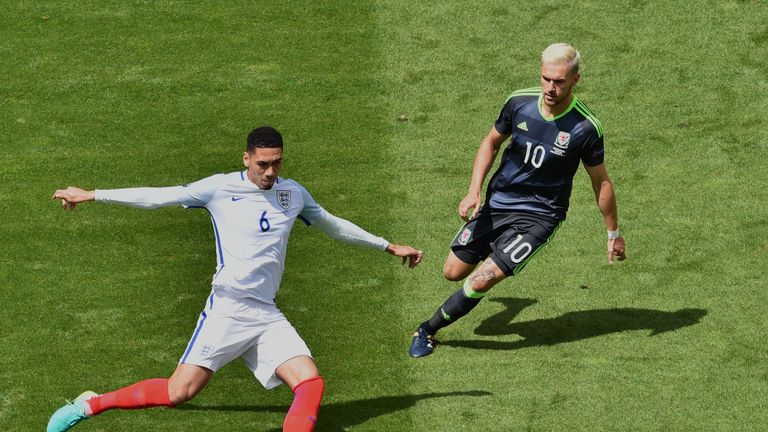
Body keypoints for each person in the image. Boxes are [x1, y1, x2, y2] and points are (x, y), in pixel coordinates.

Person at [47, 126, 423, 432]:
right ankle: (90, 404)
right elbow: (160, 197)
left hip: (266, 314)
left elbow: (333, 225)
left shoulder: (293, 194)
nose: (270, 172)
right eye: (263, 164)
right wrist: (93, 195)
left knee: (310, 382)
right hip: (227, 309)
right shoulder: (220, 188)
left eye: (277, 163)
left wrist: (388, 246)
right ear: (246, 159)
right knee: (179, 392)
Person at [408, 43, 626, 358]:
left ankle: (426, 330)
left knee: (481, 281)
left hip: (540, 216)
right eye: (546, 79)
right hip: (498, 203)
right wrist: (474, 189)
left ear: (575, 80)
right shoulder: (519, 103)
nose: (551, 88)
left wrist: (613, 234)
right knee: (453, 272)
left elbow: (600, 180)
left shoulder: (585, 127)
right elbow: (491, 142)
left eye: (560, 81)